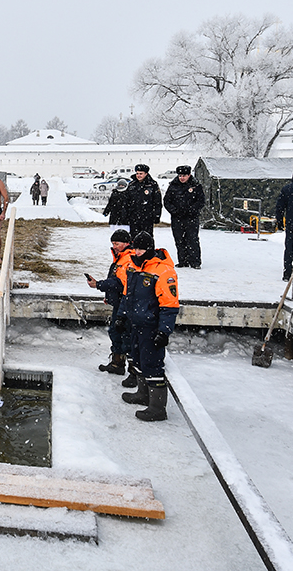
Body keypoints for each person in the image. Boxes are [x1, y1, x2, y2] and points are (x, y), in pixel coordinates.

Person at [120, 231, 179, 422]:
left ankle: (157, 407)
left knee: (152, 364)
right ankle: (142, 393)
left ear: (150, 249)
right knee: (137, 360)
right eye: (135, 248)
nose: (137, 252)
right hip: (136, 323)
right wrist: (123, 316)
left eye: (141, 248)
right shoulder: (134, 268)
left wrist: (164, 330)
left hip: (150, 326)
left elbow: (169, 305)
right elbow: (127, 295)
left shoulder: (163, 271)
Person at [86, 229, 135, 376]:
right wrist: (109, 296)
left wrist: (99, 285)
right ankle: (117, 363)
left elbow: (120, 283)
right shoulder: (120, 257)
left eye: (117, 243)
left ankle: (133, 372)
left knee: (126, 335)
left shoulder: (128, 258)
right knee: (116, 332)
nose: (114, 246)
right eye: (113, 243)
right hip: (119, 302)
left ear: (127, 243)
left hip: (126, 304)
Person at [163, 165, 205, 269]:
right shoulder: (173, 186)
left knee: (192, 239)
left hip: (191, 218)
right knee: (179, 240)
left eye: (184, 175)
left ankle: (195, 261)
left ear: (189, 175)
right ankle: (183, 260)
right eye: (180, 175)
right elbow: (167, 201)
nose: (182, 178)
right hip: (177, 218)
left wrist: (191, 210)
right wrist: (175, 211)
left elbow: (201, 201)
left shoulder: (196, 185)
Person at [123, 164, 162, 241]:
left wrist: (157, 215)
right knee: (134, 238)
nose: (138, 175)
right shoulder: (132, 185)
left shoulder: (152, 185)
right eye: (137, 173)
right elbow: (126, 201)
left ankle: (149, 253)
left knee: (147, 239)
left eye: (141, 174)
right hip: (134, 217)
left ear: (146, 174)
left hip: (147, 217)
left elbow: (157, 202)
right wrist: (125, 215)